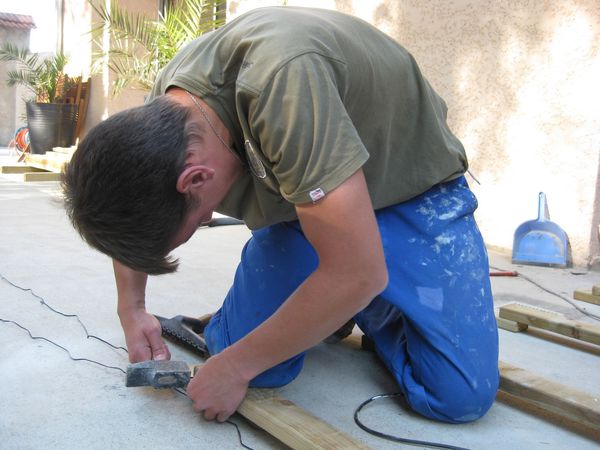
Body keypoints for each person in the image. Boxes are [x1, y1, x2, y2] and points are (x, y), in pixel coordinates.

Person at [62, 6, 499, 424]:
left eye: (193, 225)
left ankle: (368, 304)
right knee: (257, 366)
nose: (202, 223)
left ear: (195, 179)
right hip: (308, 207)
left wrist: (235, 368)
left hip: (410, 189)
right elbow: (128, 196)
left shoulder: (285, 85)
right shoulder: (166, 113)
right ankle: (339, 291)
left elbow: (357, 273)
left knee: (455, 397)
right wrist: (132, 307)